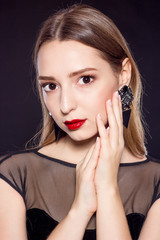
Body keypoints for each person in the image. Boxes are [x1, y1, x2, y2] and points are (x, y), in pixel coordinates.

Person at [0, 4, 160, 240]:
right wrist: (79, 210)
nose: (65, 105)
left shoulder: (155, 183)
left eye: (85, 79)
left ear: (123, 74)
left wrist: (107, 188)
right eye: (51, 86)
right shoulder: (13, 176)